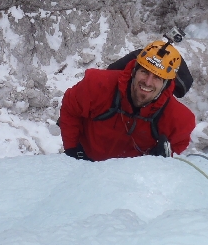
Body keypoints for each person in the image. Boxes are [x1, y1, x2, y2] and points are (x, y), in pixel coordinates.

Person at [59, 39, 196, 161]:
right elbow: (71, 108)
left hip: (130, 180)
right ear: (134, 71)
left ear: (166, 84)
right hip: (88, 160)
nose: (148, 82)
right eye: (144, 72)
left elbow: (179, 146)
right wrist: (72, 149)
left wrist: (162, 159)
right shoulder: (98, 85)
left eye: (157, 78)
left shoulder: (178, 119)